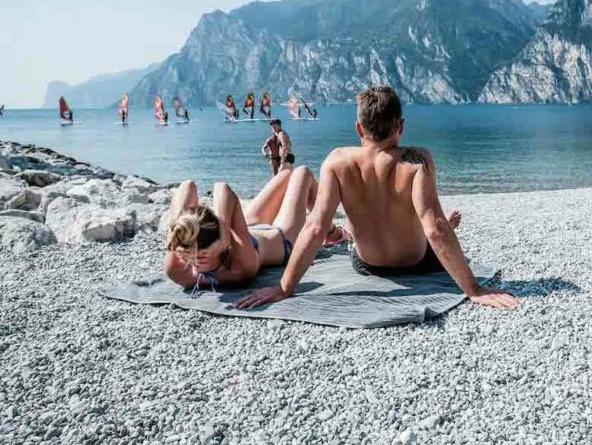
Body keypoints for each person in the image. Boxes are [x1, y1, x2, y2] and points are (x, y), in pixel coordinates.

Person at [236, 86, 518, 310]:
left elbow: (315, 227)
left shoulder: (337, 161)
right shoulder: (417, 161)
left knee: (360, 235)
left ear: (359, 128)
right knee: (433, 229)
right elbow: (436, 228)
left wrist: (285, 289)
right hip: (416, 263)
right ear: (401, 126)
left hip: (367, 265)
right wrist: (474, 290)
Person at [164, 168, 347, 291]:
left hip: (248, 228)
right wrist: (224, 238)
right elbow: (216, 188)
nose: (181, 257)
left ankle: (331, 232)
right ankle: (333, 234)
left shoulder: (178, 270)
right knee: (302, 173)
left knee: (286, 173)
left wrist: (223, 235)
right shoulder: (240, 268)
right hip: (280, 235)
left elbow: (195, 186)